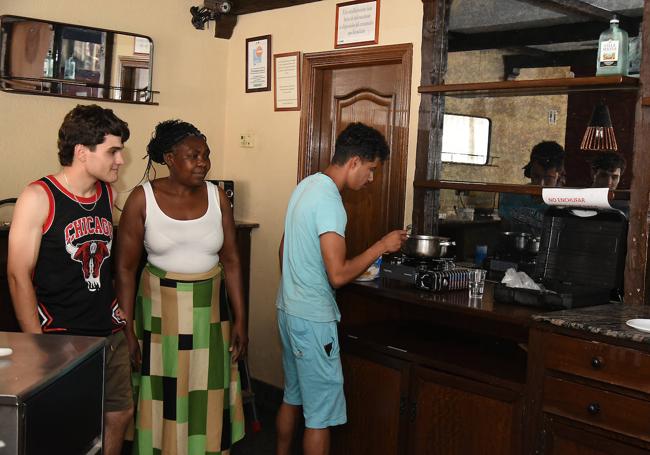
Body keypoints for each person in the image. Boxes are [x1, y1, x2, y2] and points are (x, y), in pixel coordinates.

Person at [115, 120, 247, 454]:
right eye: (193, 155)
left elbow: (231, 261)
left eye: (206, 155)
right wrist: (127, 329)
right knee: (165, 393)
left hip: (210, 316)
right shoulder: (142, 199)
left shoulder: (218, 198)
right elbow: (126, 269)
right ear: (170, 158)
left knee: (208, 390)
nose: (202, 162)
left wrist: (242, 320)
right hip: (160, 317)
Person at [7, 104, 132, 455]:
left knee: (120, 413)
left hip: (108, 328)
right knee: (68, 425)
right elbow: (18, 276)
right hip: (61, 335)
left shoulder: (109, 194)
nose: (120, 160)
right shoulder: (38, 197)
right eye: (113, 151)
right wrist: (35, 346)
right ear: (81, 152)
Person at [275, 122, 407, 455]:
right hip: (313, 320)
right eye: (371, 169)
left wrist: (298, 284)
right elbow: (337, 274)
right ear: (354, 162)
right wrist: (382, 245)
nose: (371, 178)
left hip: (288, 309)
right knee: (318, 417)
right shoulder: (331, 201)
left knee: (292, 396)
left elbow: (283, 248)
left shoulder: (306, 185)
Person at [499, 141, 566, 236]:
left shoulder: (565, 204)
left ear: (558, 176)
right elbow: (504, 233)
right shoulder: (512, 197)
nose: (541, 184)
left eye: (548, 178)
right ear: (530, 172)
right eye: (536, 176)